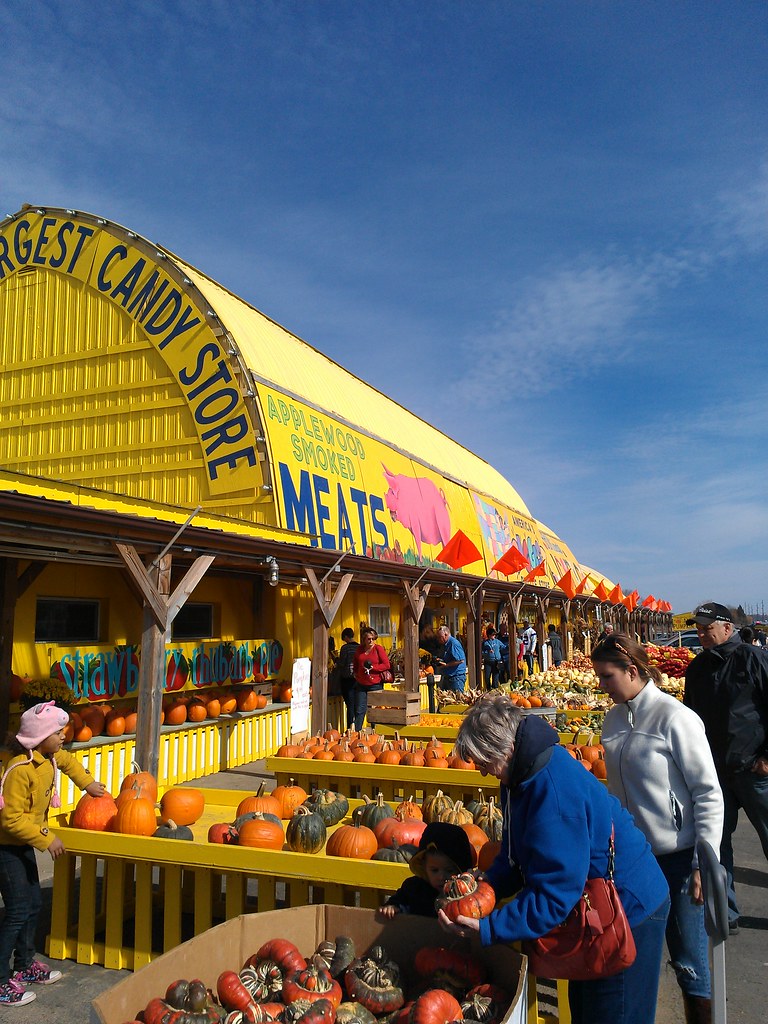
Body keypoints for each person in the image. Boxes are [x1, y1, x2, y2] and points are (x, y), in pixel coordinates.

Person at [439, 694, 669, 1024]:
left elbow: (556, 893)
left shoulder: (552, 793)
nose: (483, 772)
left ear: (503, 749)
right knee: (587, 1009)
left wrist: (490, 928)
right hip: (592, 906)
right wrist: (488, 886)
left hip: (627, 908)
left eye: (484, 762)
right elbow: (516, 851)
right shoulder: (519, 774)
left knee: (613, 1013)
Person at [592, 634, 724, 1024]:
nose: (602, 685)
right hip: (634, 859)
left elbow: (707, 792)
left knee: (690, 962)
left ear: (632, 671)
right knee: (629, 954)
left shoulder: (675, 718)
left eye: (607, 677)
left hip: (680, 861)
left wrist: (705, 859)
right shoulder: (613, 719)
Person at [0, 701, 107, 1006]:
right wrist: (47, 837)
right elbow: (10, 820)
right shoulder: (20, 770)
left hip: (22, 845)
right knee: (19, 909)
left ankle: (23, 965)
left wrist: (88, 785)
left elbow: (71, 763)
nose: (63, 736)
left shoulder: (49, 756)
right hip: (6, 847)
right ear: (38, 737)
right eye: (58, 732)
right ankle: (0, 979)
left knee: (33, 903)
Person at [683, 602, 768, 935]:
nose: (702, 634)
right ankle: (725, 911)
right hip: (715, 773)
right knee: (717, 844)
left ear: (727, 628)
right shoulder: (698, 668)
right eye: (699, 629)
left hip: (755, 771)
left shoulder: (753, 658)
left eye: (707, 628)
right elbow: (690, 718)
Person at [378, 821, 474, 918]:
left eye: (449, 871)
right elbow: (399, 900)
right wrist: (393, 906)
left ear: (461, 871)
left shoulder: (467, 896)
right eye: (434, 870)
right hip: (418, 932)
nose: (441, 877)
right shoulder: (414, 888)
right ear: (424, 866)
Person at [351, 627, 391, 731]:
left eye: (373, 639)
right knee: (360, 709)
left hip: (375, 683)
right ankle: (357, 732)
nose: (371, 641)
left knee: (375, 710)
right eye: (369, 639)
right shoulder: (359, 650)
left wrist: (374, 668)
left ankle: (376, 731)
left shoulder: (378, 649)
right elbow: (355, 662)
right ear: (364, 639)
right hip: (361, 683)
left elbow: (386, 665)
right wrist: (355, 673)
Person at [335, 627, 360, 730]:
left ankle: (350, 727)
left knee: (349, 704)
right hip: (358, 679)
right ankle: (357, 726)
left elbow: (342, 663)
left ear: (346, 637)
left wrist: (336, 660)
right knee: (357, 704)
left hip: (347, 679)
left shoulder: (345, 648)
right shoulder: (359, 647)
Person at [434, 625, 467, 692]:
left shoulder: (453, 643)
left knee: (458, 700)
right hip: (448, 676)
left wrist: (446, 665)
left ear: (446, 635)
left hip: (456, 677)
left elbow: (460, 660)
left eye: (440, 637)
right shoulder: (446, 644)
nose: (438, 639)